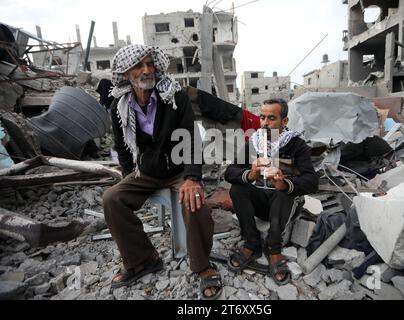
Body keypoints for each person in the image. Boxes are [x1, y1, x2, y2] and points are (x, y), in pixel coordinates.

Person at [102, 44, 222, 300]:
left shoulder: (174, 96)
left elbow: (191, 138)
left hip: (179, 168)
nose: (147, 70)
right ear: (125, 74)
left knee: (195, 201)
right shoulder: (119, 106)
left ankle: (202, 265)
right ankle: (144, 259)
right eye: (139, 65)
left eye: (150, 64)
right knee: (112, 199)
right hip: (146, 171)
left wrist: (192, 178)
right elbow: (122, 146)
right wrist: (128, 177)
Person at [224, 98, 319, 285]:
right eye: (262, 117)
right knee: (237, 188)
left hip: (285, 203)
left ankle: (274, 249)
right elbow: (230, 172)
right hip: (262, 202)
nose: (265, 123)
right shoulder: (255, 142)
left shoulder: (296, 144)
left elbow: (312, 181)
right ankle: (252, 243)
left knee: (283, 193)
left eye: (272, 118)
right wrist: (250, 175)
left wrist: (285, 184)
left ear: (284, 122)